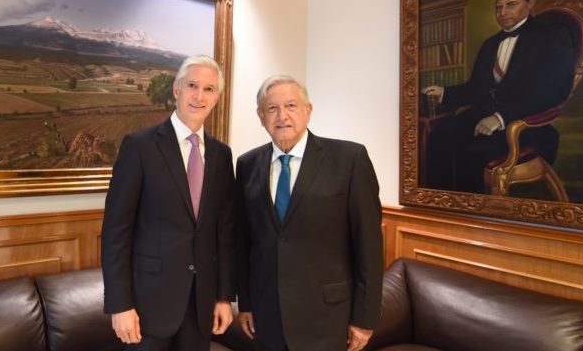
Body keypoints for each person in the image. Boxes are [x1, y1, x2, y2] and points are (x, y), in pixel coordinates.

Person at [236, 75, 383, 351]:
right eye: (272, 108)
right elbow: (244, 242)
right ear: (260, 116)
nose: (282, 116)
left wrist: (365, 318)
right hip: (267, 314)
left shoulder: (349, 159)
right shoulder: (247, 164)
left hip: (327, 317)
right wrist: (246, 303)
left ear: (308, 110)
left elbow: (370, 246)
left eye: (291, 106)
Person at [101, 55, 236, 350]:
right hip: (147, 308)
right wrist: (120, 304)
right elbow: (115, 232)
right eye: (192, 85)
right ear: (176, 89)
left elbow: (224, 233)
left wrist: (224, 297)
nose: (199, 96)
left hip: (200, 307)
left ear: (217, 97)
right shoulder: (140, 146)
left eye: (209, 89)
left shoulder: (222, 155)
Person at [422, 0, 575, 194]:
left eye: (511, 5)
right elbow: (476, 88)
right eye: (498, 7)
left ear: (530, 3)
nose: (502, 13)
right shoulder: (490, 44)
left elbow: (553, 91)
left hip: (525, 125)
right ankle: (439, 202)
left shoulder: (552, 36)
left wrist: (501, 117)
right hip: (484, 115)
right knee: (439, 136)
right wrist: (445, 92)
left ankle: (470, 210)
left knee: (471, 153)